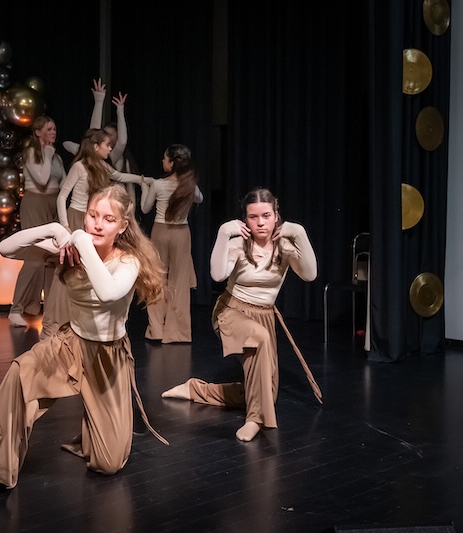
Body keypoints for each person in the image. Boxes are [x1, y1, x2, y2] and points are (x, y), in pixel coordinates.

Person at [0, 184, 169, 502]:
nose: (97, 225)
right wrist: (53, 230)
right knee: (18, 375)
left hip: (107, 357)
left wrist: (80, 241)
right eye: (92, 215)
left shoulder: (128, 261)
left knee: (108, 464)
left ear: (122, 226)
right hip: (69, 344)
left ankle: (92, 433)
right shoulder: (72, 247)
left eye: (108, 219)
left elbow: (107, 292)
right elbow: (5, 249)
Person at [161, 187, 319, 442]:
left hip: (264, 316)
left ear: (276, 215)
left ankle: (196, 390)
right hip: (231, 311)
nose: (260, 223)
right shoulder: (238, 244)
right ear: (245, 219)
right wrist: (224, 233)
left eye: (266, 216)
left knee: (266, 393)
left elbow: (310, 275)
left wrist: (299, 232)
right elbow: (217, 275)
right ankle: (255, 419)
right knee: (259, 339)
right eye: (253, 217)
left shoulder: (285, 247)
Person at [40, 128, 151, 339]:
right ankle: (55, 323)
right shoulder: (79, 167)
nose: (110, 149)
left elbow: (119, 176)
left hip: (93, 219)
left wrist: (142, 179)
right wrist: (65, 226)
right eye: (107, 145)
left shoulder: (102, 166)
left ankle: (79, 319)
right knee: (69, 267)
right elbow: (62, 196)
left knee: (87, 270)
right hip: (77, 217)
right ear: (96, 146)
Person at [140, 144, 203, 343]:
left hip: (160, 232)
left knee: (157, 279)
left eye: (165, 158)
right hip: (181, 234)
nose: (162, 161)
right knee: (179, 281)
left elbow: (145, 208)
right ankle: (178, 332)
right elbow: (200, 199)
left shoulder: (158, 185)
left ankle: (156, 330)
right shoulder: (189, 185)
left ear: (172, 163)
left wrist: (144, 187)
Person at [7, 115, 66, 327]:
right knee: (34, 258)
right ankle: (17, 309)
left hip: (53, 204)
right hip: (35, 204)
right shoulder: (32, 153)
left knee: (52, 259)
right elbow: (42, 180)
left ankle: (51, 309)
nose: (53, 132)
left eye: (54, 128)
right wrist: (47, 154)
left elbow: (64, 183)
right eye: (49, 129)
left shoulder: (56, 157)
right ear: (38, 132)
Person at [63, 78, 139, 202]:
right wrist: (99, 100)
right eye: (105, 134)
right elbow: (89, 136)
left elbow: (122, 142)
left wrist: (120, 110)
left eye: (110, 135)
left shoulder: (112, 157)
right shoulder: (90, 156)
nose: (106, 137)